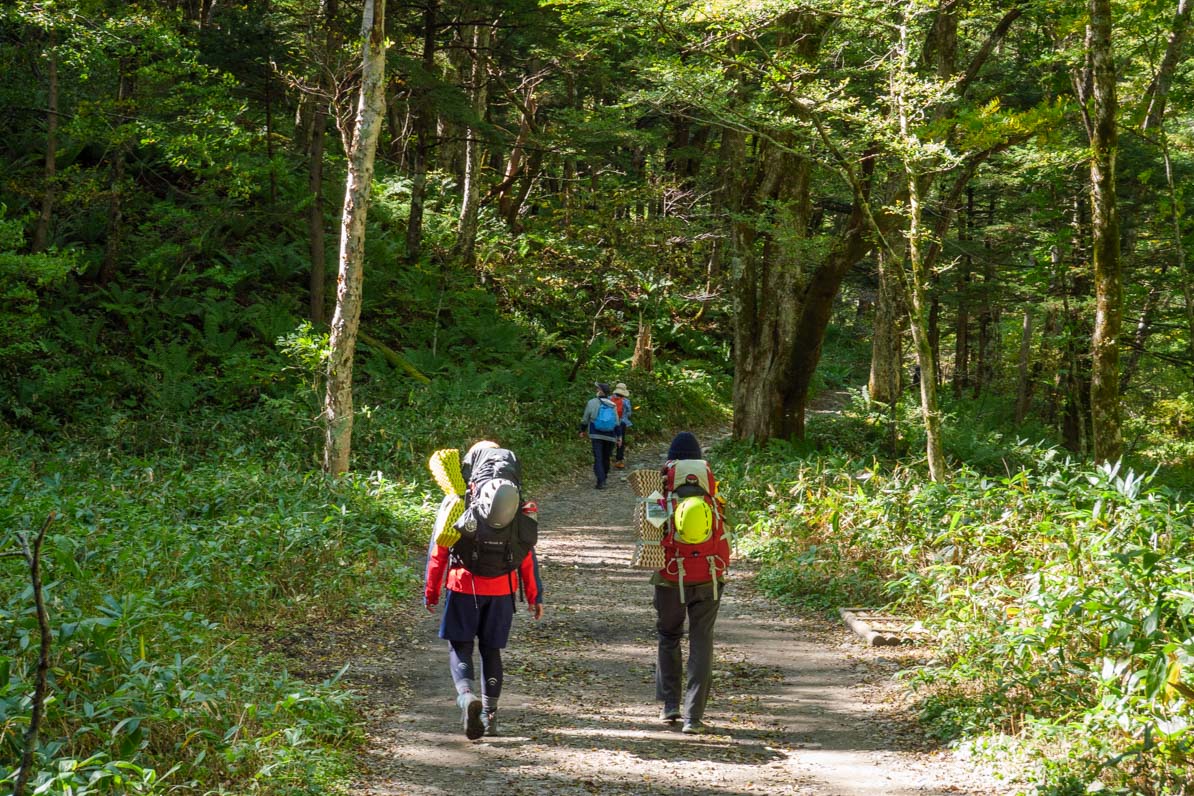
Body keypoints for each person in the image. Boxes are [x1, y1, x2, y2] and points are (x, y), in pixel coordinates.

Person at [425, 442, 545, 740]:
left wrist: (431, 591)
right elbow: (527, 555)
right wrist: (534, 595)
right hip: (502, 591)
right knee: (492, 652)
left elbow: (439, 551)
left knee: (461, 647)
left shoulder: (459, 502)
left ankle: (466, 697)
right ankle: (490, 718)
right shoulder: (518, 506)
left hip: (463, 586)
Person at [652, 431, 729, 735]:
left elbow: (650, 535)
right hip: (709, 575)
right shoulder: (713, 493)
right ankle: (693, 717)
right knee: (702, 641)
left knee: (668, 635)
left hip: (670, 576)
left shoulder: (659, 494)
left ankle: (670, 705)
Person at [578, 382, 619, 489]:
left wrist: (582, 430)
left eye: (597, 389)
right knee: (606, 457)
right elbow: (616, 421)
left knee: (598, 457)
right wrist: (619, 436)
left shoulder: (592, 403)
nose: (596, 390)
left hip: (596, 434)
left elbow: (585, 418)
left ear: (601, 391)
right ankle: (604, 477)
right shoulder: (612, 404)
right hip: (610, 435)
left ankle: (600, 481)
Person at [611, 383, 633, 470]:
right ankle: (619, 460)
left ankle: (607, 458)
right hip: (621, 423)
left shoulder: (609, 398)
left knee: (610, 439)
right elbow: (629, 413)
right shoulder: (626, 401)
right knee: (621, 440)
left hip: (610, 422)